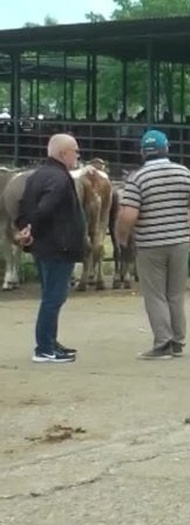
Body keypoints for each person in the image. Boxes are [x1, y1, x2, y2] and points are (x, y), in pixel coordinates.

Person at [116, 130, 190, 360]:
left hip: (150, 244)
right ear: (167, 148)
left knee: (155, 295)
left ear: (143, 152)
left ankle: (162, 343)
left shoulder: (138, 178)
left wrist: (122, 238)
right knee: (175, 295)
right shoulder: (184, 173)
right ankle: (177, 341)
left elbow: (128, 215)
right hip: (179, 243)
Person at [14, 133, 84, 363]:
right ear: (64, 153)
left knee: (51, 297)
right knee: (53, 298)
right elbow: (46, 208)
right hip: (58, 245)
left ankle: (50, 342)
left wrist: (25, 228)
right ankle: (44, 348)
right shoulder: (60, 179)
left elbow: (23, 205)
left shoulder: (36, 176)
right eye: (75, 150)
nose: (78, 154)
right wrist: (31, 227)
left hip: (43, 245)